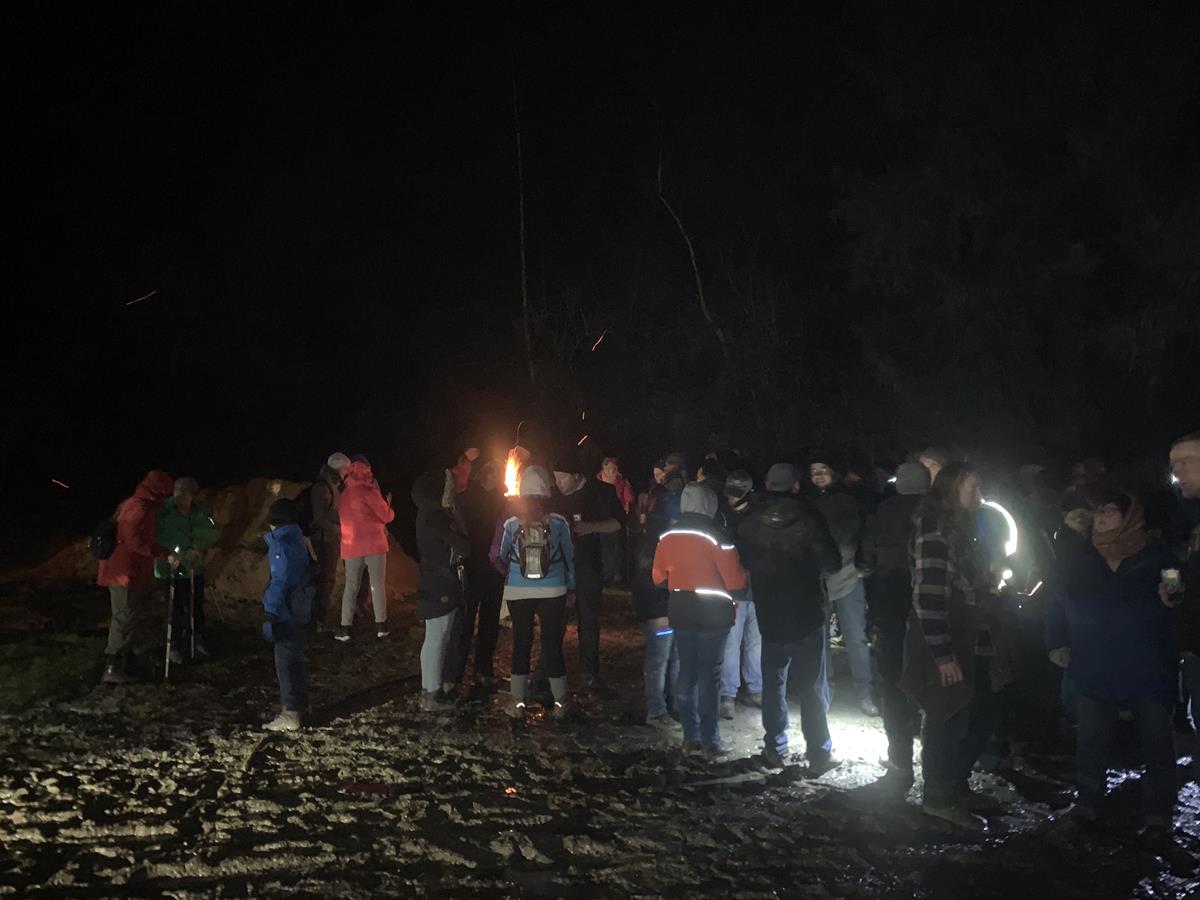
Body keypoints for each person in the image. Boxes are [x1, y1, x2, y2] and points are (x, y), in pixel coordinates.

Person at [1047, 490, 1181, 842]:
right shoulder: (1080, 556)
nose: (1102, 517)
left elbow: (1176, 586)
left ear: (1130, 517)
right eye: (1099, 511)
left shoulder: (1156, 554)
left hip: (1148, 664)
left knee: (1156, 740)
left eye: (1111, 511)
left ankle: (1159, 812)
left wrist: (1174, 594)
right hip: (1094, 663)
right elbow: (1056, 600)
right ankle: (1087, 803)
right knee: (1090, 739)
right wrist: (1057, 642)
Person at [903, 461, 1012, 829]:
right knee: (947, 717)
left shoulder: (963, 527)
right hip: (949, 639)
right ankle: (938, 798)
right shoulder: (936, 530)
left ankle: (956, 786)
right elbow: (929, 595)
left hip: (971, 635)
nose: (979, 494)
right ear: (952, 490)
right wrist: (943, 655)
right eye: (972, 487)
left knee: (977, 714)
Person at [738, 463, 841, 768]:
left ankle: (774, 747)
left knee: (773, 683)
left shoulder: (750, 520)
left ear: (768, 485)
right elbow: (831, 562)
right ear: (795, 485)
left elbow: (745, 558)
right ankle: (818, 752)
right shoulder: (809, 517)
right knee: (811, 686)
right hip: (806, 611)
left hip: (769, 611)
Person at [652, 482, 748, 757]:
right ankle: (710, 741)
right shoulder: (718, 535)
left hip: (681, 610)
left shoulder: (667, 536)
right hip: (714, 614)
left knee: (687, 672)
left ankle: (689, 737)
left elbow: (658, 577)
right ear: (710, 504)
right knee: (710, 676)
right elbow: (736, 580)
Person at [861, 462, 930, 790]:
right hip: (930, 610)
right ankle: (935, 764)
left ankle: (900, 763)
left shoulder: (881, 514)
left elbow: (864, 561)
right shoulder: (939, 514)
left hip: (889, 608)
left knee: (893, 685)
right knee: (932, 687)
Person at [494, 465, 575, 719]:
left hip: (518, 590)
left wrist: (510, 573)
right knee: (552, 644)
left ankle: (517, 703)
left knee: (521, 642)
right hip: (554, 589)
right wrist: (571, 587)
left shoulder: (511, 522)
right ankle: (561, 704)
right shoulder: (559, 522)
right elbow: (570, 556)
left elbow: (497, 555)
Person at [552, 450, 625, 696]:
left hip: (588, 565)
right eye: (555, 478)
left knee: (589, 619)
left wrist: (591, 527)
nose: (558, 483)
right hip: (560, 566)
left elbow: (618, 522)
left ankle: (590, 673)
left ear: (576, 476)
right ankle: (548, 672)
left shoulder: (600, 492)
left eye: (562, 478)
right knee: (556, 618)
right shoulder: (556, 497)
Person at [810, 454, 878, 716]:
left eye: (823, 469)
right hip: (820, 579)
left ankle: (865, 693)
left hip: (848, 575)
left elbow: (863, 535)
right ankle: (824, 692)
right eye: (814, 471)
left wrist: (864, 566)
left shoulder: (850, 501)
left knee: (856, 638)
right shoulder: (809, 503)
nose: (818, 475)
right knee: (821, 639)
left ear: (834, 472)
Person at [97, 470, 174, 684]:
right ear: (158, 491)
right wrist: (162, 552)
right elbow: (134, 541)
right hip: (124, 572)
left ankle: (126, 660)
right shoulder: (139, 507)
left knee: (129, 616)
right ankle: (112, 667)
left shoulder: (134, 504)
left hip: (129, 570)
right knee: (123, 617)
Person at [444, 460, 506, 695]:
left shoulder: (501, 501)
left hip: (492, 569)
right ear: (486, 475)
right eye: (495, 474)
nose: (498, 478)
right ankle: (455, 673)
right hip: (471, 567)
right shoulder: (467, 499)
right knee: (465, 622)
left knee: (489, 622)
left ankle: (483, 669)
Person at [412, 469, 471, 710]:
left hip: (430, 580)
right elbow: (464, 547)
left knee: (433, 637)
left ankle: (428, 690)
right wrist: (456, 519)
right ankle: (432, 694)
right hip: (441, 584)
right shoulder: (437, 516)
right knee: (437, 638)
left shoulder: (424, 513)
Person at [260, 498, 315, 732]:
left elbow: (280, 581)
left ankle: (291, 712)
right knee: (295, 658)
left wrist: (270, 610)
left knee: (285, 661)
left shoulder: (280, 545)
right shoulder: (298, 539)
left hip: (287, 612)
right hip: (301, 608)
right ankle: (300, 704)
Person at [153, 477, 221, 663]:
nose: (181, 498)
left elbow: (214, 531)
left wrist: (198, 544)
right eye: (178, 494)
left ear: (193, 495)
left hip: (193, 568)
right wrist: (167, 553)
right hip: (169, 569)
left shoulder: (201, 511)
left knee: (195, 607)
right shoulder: (163, 511)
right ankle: (174, 644)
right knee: (173, 609)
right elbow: (154, 536)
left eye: (186, 494)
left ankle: (196, 638)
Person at [334, 457, 394, 641]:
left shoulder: (344, 495)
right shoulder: (370, 492)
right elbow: (387, 516)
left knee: (351, 586)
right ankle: (381, 625)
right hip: (374, 544)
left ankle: (345, 627)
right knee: (377, 585)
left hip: (351, 546)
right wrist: (388, 505)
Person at [719, 470, 763, 718]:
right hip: (736, 588)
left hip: (754, 587)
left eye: (737, 494)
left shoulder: (756, 516)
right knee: (732, 643)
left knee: (754, 642)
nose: (732, 498)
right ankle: (729, 693)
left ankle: (755, 689)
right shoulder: (724, 516)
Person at [633, 482, 677, 726]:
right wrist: (659, 609)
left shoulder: (649, 530)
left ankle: (667, 706)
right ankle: (658, 710)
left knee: (667, 656)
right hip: (660, 608)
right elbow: (651, 573)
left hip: (658, 606)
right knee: (661, 657)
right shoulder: (660, 534)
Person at [306, 452, 349, 632]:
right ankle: (316, 619)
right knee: (325, 578)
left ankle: (318, 617)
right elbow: (320, 518)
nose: (347, 472)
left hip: (328, 537)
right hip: (323, 539)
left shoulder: (332, 484)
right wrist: (339, 529)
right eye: (346, 469)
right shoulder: (322, 487)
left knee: (326, 578)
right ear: (339, 468)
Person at [597, 456, 634, 584]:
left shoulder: (622, 482)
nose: (610, 472)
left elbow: (629, 498)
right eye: (607, 469)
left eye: (613, 469)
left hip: (617, 518)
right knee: (604, 546)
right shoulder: (597, 482)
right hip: (601, 518)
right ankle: (606, 573)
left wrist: (627, 504)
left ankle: (617, 574)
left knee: (617, 545)